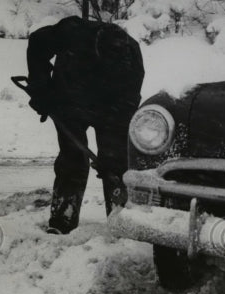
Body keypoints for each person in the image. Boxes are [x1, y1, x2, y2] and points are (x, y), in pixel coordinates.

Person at [26, 16, 144, 234]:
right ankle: (63, 219)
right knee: (72, 158)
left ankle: (121, 222)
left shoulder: (132, 56)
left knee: (116, 162)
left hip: (111, 108)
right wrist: (41, 87)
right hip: (69, 101)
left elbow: (129, 102)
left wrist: (112, 156)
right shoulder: (72, 32)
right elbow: (37, 43)